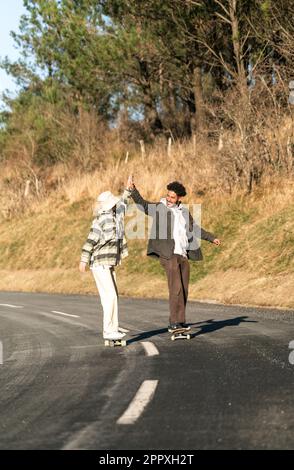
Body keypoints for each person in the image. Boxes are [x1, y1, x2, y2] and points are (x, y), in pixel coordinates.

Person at [126, 177, 221, 331]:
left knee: (183, 288)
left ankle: (181, 321)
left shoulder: (184, 212)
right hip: (167, 254)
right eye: (168, 195)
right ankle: (174, 322)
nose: (169, 199)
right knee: (175, 287)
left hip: (182, 254)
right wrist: (132, 190)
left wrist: (211, 238)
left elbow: (194, 229)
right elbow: (143, 205)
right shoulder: (160, 208)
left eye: (172, 197)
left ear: (179, 198)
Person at [79, 179, 132, 340]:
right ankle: (109, 331)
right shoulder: (101, 219)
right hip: (99, 264)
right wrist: (83, 260)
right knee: (110, 296)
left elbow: (123, 204)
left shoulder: (116, 216)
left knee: (112, 295)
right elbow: (90, 240)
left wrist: (128, 190)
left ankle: (112, 329)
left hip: (108, 264)